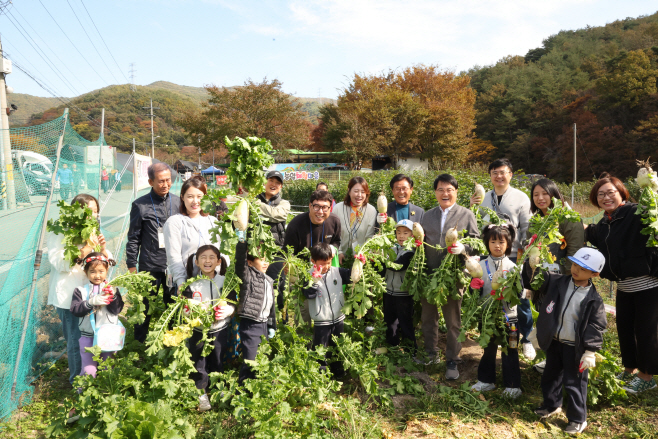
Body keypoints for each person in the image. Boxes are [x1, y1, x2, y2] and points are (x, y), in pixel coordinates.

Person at [584, 174, 658, 394]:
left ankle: (647, 377)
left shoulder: (636, 212)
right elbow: (593, 235)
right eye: (601, 194)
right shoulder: (605, 222)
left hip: (647, 285)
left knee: (646, 331)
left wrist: (652, 189)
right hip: (624, 287)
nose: (606, 197)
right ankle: (629, 370)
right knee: (625, 330)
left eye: (610, 192)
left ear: (621, 193)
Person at [523, 247, 607, 435]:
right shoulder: (557, 281)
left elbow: (596, 326)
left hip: (574, 347)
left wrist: (590, 351)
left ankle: (578, 419)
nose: (576, 270)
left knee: (574, 383)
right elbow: (535, 281)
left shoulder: (594, 299)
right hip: (555, 342)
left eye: (583, 268)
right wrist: (531, 264)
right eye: (575, 264)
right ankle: (552, 405)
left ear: (595, 274)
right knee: (550, 376)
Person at [470, 158, 535, 361]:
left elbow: (527, 228)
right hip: (487, 254)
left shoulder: (521, 197)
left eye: (502, 172)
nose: (498, 176)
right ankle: (491, 332)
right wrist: (471, 206)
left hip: (514, 255)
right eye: (494, 172)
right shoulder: (484, 197)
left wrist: (524, 254)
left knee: (519, 298)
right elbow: (476, 224)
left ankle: (526, 340)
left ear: (510, 175)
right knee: (488, 293)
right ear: (490, 176)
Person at [47, 194, 111, 387]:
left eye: (96, 212)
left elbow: (104, 264)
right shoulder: (61, 232)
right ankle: (78, 384)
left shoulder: (92, 232)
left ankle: (90, 377)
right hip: (69, 298)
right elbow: (59, 263)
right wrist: (83, 251)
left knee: (90, 339)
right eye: (89, 212)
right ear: (76, 213)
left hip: (90, 296)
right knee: (76, 342)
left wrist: (103, 249)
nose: (93, 216)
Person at [420, 174, 479, 378]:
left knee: (453, 320)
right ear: (435, 192)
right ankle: (431, 353)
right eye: (440, 189)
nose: (445, 193)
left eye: (449, 190)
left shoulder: (466, 215)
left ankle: (453, 360)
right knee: (428, 317)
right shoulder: (427, 216)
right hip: (430, 274)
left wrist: (465, 247)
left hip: (453, 275)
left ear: (456, 192)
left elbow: (477, 243)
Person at [528, 178, 584, 374]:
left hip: (564, 281)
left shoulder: (569, 218)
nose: (540, 198)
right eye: (536, 195)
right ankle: (550, 361)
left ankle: (569, 365)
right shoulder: (536, 220)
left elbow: (575, 254)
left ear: (554, 194)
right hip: (543, 281)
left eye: (545, 193)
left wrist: (562, 279)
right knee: (547, 320)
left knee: (565, 322)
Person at [126, 163, 181, 343]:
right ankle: (138, 343)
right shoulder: (140, 205)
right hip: (149, 264)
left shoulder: (178, 201)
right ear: (150, 181)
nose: (165, 184)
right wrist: (131, 264)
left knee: (173, 304)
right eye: (160, 181)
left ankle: (172, 341)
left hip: (173, 264)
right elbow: (133, 237)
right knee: (144, 305)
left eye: (168, 180)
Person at [470, 224, 522, 399]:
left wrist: (508, 292)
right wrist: (474, 286)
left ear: (508, 244)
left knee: (511, 349)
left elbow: (520, 293)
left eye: (501, 242)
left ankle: (513, 385)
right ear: (487, 243)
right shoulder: (480, 265)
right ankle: (486, 381)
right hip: (487, 316)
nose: (497, 245)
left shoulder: (514, 267)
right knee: (488, 348)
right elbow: (474, 294)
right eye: (493, 241)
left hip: (509, 317)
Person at [181, 245, 235, 412]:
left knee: (218, 360)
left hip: (220, 329)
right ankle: (202, 395)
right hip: (198, 331)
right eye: (203, 257)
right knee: (199, 363)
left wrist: (230, 310)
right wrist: (187, 310)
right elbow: (184, 307)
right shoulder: (191, 284)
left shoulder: (225, 281)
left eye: (212, 257)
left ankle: (219, 393)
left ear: (218, 261)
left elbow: (232, 301)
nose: (207, 261)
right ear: (196, 262)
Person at [282, 190, 341, 322]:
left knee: (326, 305)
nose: (320, 211)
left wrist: (331, 250)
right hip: (301, 271)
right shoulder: (296, 224)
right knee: (304, 309)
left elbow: (337, 241)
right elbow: (288, 251)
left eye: (324, 207)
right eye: (316, 206)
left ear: (330, 207)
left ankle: (324, 337)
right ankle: (305, 339)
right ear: (310, 206)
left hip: (325, 270)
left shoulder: (334, 221)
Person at [164, 175, 223, 293]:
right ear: (182, 197)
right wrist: (181, 282)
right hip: (188, 285)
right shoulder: (175, 222)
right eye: (190, 197)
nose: (195, 201)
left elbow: (221, 252)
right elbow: (173, 257)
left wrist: (223, 276)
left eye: (199, 196)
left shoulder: (213, 222)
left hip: (214, 284)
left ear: (205, 198)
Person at [69, 253, 124, 379]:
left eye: (101, 271)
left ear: (107, 270)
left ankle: (106, 393)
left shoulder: (112, 288)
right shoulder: (80, 291)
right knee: (89, 370)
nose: (97, 275)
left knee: (108, 368)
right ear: (85, 272)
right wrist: (90, 302)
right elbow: (75, 310)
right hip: (88, 338)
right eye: (92, 271)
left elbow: (116, 310)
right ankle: (85, 394)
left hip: (108, 337)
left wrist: (113, 296)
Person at [303, 242, 352, 377]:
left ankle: (338, 370)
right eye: (322, 264)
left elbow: (351, 276)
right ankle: (321, 373)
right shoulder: (308, 276)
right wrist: (314, 280)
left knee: (337, 345)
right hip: (321, 320)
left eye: (329, 262)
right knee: (321, 348)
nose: (326, 267)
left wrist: (359, 263)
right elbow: (308, 294)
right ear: (313, 261)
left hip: (338, 317)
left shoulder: (336, 271)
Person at [234, 235, 276, 384]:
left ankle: (258, 387)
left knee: (261, 357)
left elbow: (271, 307)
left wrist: (272, 325)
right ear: (250, 262)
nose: (265, 262)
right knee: (250, 359)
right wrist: (242, 242)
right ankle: (242, 389)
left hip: (264, 324)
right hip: (251, 324)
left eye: (267, 258)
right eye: (261, 259)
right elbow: (239, 262)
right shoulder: (248, 275)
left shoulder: (269, 280)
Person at [382, 220, 418, 353]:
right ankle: (393, 347)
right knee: (390, 321)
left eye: (405, 233)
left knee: (405, 322)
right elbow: (382, 270)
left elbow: (399, 266)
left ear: (412, 235)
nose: (401, 236)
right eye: (398, 232)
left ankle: (410, 350)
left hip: (404, 294)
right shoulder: (391, 248)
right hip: (388, 291)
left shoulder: (411, 252)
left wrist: (382, 260)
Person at [257, 170, 291, 308]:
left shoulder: (284, 203)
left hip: (277, 250)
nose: (273, 184)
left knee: (279, 283)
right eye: (271, 181)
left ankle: (282, 315)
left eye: (277, 183)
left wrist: (255, 205)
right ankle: (264, 316)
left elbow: (276, 214)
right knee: (259, 284)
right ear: (264, 182)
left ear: (281, 187)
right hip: (257, 251)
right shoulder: (254, 198)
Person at [334, 176, 377, 265]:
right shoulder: (338, 208)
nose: (359, 195)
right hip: (340, 259)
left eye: (363, 192)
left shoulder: (371, 210)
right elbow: (334, 234)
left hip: (362, 260)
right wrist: (339, 251)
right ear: (349, 191)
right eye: (356, 191)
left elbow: (370, 236)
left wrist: (364, 254)